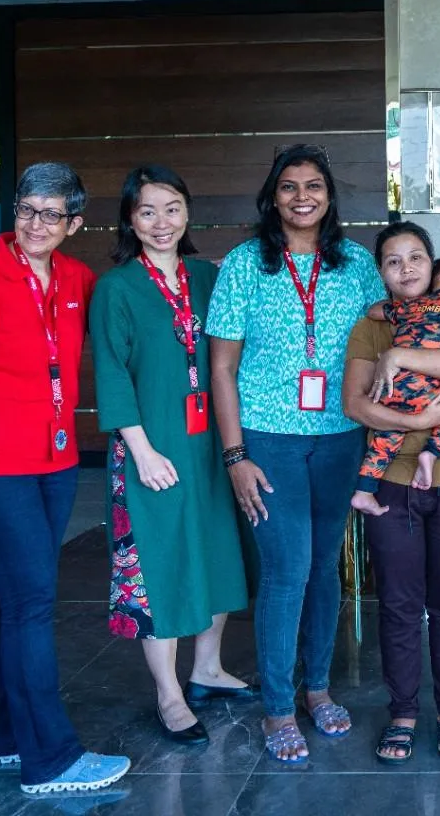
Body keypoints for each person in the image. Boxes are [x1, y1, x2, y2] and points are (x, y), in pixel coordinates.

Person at [0, 162, 131, 794]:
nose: (35, 225)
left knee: (14, 607)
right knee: (30, 606)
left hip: (55, 462)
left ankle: (7, 739)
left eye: (51, 214)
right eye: (26, 210)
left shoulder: (77, 279)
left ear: (74, 223)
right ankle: (51, 760)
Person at [206, 144, 386, 764]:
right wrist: (235, 456)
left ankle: (317, 688)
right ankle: (278, 706)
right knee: (287, 571)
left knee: (326, 568)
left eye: (314, 186)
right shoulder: (242, 265)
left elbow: (388, 335)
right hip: (268, 440)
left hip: (340, 436)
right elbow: (221, 369)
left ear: (330, 196)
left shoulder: (358, 264)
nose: (302, 197)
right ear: (272, 197)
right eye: (289, 187)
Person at [88, 165, 251, 746]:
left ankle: (207, 669)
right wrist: (141, 449)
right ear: (130, 220)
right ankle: (169, 693)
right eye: (148, 211)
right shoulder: (117, 288)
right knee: (159, 565)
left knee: (216, 552)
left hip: (211, 443)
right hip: (151, 444)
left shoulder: (209, 277)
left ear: (189, 213)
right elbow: (110, 371)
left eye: (172, 208)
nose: (162, 223)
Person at [342, 222, 440, 764]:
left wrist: (399, 360)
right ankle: (402, 711)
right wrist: (422, 417)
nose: (406, 268)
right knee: (399, 604)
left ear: (435, 266)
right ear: (380, 272)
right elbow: (356, 404)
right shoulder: (372, 327)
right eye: (393, 261)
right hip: (392, 485)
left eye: (416, 257)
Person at [351, 254, 440, 515]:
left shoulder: (412, 305)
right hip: (428, 390)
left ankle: (363, 491)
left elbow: (374, 311)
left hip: (394, 387)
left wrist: (393, 309)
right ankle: (431, 453)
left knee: (387, 437)